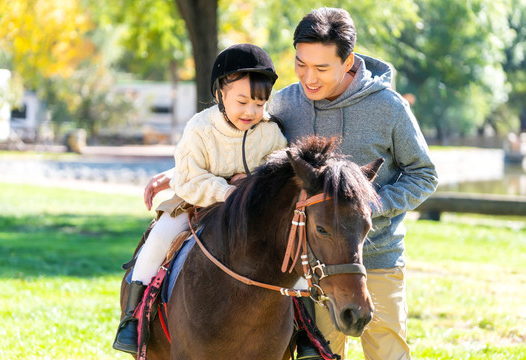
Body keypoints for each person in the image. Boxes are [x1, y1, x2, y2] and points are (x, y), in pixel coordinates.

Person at [267, 7, 438, 360]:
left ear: (348, 62)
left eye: (321, 68)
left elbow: (424, 173)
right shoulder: (284, 104)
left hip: (378, 258)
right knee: (322, 354)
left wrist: (368, 205)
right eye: (301, 64)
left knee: (388, 353)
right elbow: (250, 153)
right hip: (315, 266)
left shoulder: (389, 108)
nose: (308, 77)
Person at [112, 43, 287, 355]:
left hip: (253, 214)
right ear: (220, 94)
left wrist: (253, 190)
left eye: (260, 104)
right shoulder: (200, 128)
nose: (251, 111)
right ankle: (134, 318)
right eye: (242, 101)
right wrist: (229, 192)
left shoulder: (271, 132)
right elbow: (190, 177)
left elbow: (279, 175)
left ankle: (306, 328)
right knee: (158, 240)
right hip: (197, 203)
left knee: (287, 254)